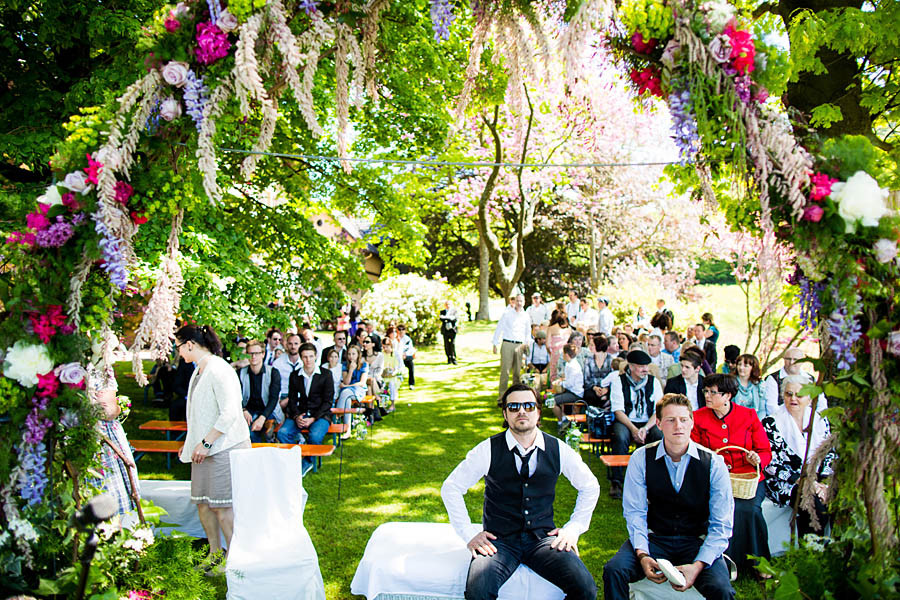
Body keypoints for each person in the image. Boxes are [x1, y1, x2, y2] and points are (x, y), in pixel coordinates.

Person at [440, 385, 600, 600]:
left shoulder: (558, 449)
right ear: (505, 414)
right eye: (514, 407)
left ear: (538, 411)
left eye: (528, 406)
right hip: (499, 541)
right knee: (478, 592)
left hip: (543, 540)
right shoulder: (488, 449)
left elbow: (590, 486)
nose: (522, 411)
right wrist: (468, 534)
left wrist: (573, 529)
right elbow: (451, 488)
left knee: (586, 588)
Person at [603, 393, 735, 600]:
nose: (678, 426)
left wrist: (698, 565)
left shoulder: (713, 463)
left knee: (722, 588)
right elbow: (635, 511)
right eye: (670, 420)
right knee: (614, 570)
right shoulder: (641, 458)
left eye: (683, 420)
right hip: (656, 537)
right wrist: (643, 554)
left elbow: (722, 524)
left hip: (696, 540)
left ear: (692, 422)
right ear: (658, 423)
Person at [176, 324, 250, 570]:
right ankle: (214, 553)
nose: (179, 354)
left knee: (222, 506)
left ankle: (234, 558)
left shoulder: (220, 369)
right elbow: (198, 415)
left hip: (224, 447)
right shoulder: (199, 371)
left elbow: (230, 411)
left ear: (190, 344)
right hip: (204, 449)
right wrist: (190, 446)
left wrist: (207, 442)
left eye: (179, 347)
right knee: (203, 503)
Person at [691, 373, 771, 573]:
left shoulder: (749, 415)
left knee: (749, 510)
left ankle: (759, 564)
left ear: (728, 396)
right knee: (720, 509)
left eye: (712, 392)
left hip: (748, 479)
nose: (707, 396)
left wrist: (756, 459)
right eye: (705, 391)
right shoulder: (698, 417)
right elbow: (694, 451)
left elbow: (764, 450)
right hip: (713, 479)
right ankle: (722, 562)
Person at [761, 375, 836, 536]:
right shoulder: (770, 423)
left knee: (839, 500)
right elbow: (771, 464)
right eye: (788, 394)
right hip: (787, 481)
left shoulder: (821, 420)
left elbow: (830, 453)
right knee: (813, 505)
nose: (793, 398)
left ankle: (833, 551)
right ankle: (809, 552)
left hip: (818, 479)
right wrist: (806, 482)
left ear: (809, 398)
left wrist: (822, 483)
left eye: (799, 395)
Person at [87, 360, 141, 519]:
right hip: (98, 435)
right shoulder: (99, 366)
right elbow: (107, 411)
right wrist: (120, 408)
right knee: (108, 487)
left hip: (64, 432)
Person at [608, 349, 664, 499]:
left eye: (647, 366)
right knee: (620, 436)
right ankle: (617, 480)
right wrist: (634, 429)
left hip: (648, 421)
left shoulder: (654, 382)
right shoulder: (618, 382)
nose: (645, 369)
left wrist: (645, 428)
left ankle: (654, 477)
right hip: (627, 420)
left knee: (659, 435)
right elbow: (618, 411)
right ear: (631, 367)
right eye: (641, 366)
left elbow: (659, 410)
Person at [277, 342, 336, 469]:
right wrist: (297, 416)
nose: (308, 360)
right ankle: (294, 459)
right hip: (301, 413)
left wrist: (313, 418)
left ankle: (308, 462)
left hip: (320, 415)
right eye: (304, 357)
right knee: (282, 433)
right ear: (300, 357)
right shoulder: (295, 375)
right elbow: (292, 400)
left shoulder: (326, 375)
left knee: (315, 436)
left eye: (310, 356)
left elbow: (328, 401)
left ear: (316, 356)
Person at [238, 340, 281, 443]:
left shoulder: (273, 373)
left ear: (263, 354)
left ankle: (271, 434)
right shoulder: (240, 373)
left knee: (267, 432)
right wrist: (243, 410)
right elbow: (235, 396)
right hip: (249, 411)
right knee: (249, 433)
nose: (253, 357)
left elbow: (273, 399)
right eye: (250, 353)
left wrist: (262, 417)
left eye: (257, 353)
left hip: (269, 410)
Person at [763, 347, 827, 417]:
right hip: (782, 421)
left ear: (802, 361)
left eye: (795, 359)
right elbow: (771, 408)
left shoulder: (810, 379)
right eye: (788, 359)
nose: (791, 362)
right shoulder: (773, 379)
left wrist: (813, 419)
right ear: (784, 359)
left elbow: (821, 404)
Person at [492, 294, 530, 398]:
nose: (519, 303)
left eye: (521, 301)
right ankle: (501, 397)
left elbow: (528, 332)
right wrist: (495, 343)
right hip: (507, 343)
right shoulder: (507, 313)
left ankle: (515, 397)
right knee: (505, 371)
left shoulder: (526, 315)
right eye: (517, 301)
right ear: (514, 301)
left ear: (524, 302)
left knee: (517, 372)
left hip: (519, 345)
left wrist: (526, 345)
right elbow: (499, 327)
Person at [550, 344, 584, 432]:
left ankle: (562, 420)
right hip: (571, 391)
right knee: (552, 398)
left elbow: (570, 383)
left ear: (566, 354)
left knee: (551, 402)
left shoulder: (573, 366)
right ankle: (564, 419)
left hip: (575, 394)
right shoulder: (571, 364)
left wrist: (560, 383)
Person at [336, 345, 369, 428]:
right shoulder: (344, 365)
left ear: (358, 354)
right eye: (349, 354)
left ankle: (337, 415)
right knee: (347, 399)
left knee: (345, 392)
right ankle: (347, 429)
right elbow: (346, 381)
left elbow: (362, 383)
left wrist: (347, 386)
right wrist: (350, 370)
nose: (351, 356)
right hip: (347, 392)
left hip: (359, 390)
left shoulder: (364, 365)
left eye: (353, 354)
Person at [583, 333, 613, 409]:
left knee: (608, 397)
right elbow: (586, 379)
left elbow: (613, 377)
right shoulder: (588, 359)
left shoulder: (610, 359)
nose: (590, 347)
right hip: (592, 388)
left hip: (607, 388)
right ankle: (592, 416)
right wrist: (595, 388)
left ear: (598, 345)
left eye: (592, 345)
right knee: (590, 396)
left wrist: (606, 389)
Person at [734, 354, 766, 419]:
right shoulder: (730, 382)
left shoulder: (759, 385)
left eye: (745, 366)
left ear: (753, 368)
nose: (741, 368)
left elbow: (762, 410)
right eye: (739, 364)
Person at [397, 324, 417, 390]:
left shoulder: (408, 339)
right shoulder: (396, 338)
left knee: (411, 365)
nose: (401, 331)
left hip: (406, 357)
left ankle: (411, 384)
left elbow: (411, 349)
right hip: (397, 357)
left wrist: (405, 354)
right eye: (399, 329)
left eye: (403, 329)